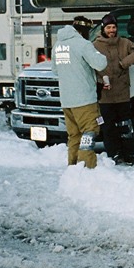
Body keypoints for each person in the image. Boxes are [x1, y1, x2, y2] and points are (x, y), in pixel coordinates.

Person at [52, 16, 107, 169]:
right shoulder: (83, 44)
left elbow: (55, 70)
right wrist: (98, 53)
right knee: (89, 132)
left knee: (74, 135)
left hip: (67, 100)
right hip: (84, 100)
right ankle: (86, 167)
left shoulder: (58, 45)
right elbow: (101, 64)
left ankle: (72, 166)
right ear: (84, 30)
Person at [93, 13, 134, 166]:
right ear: (103, 29)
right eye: (108, 27)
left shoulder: (124, 42)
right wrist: (100, 81)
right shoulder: (95, 46)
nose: (112, 30)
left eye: (114, 27)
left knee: (125, 125)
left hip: (123, 93)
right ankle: (114, 153)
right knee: (109, 126)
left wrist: (125, 63)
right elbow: (90, 67)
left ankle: (128, 153)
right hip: (105, 95)